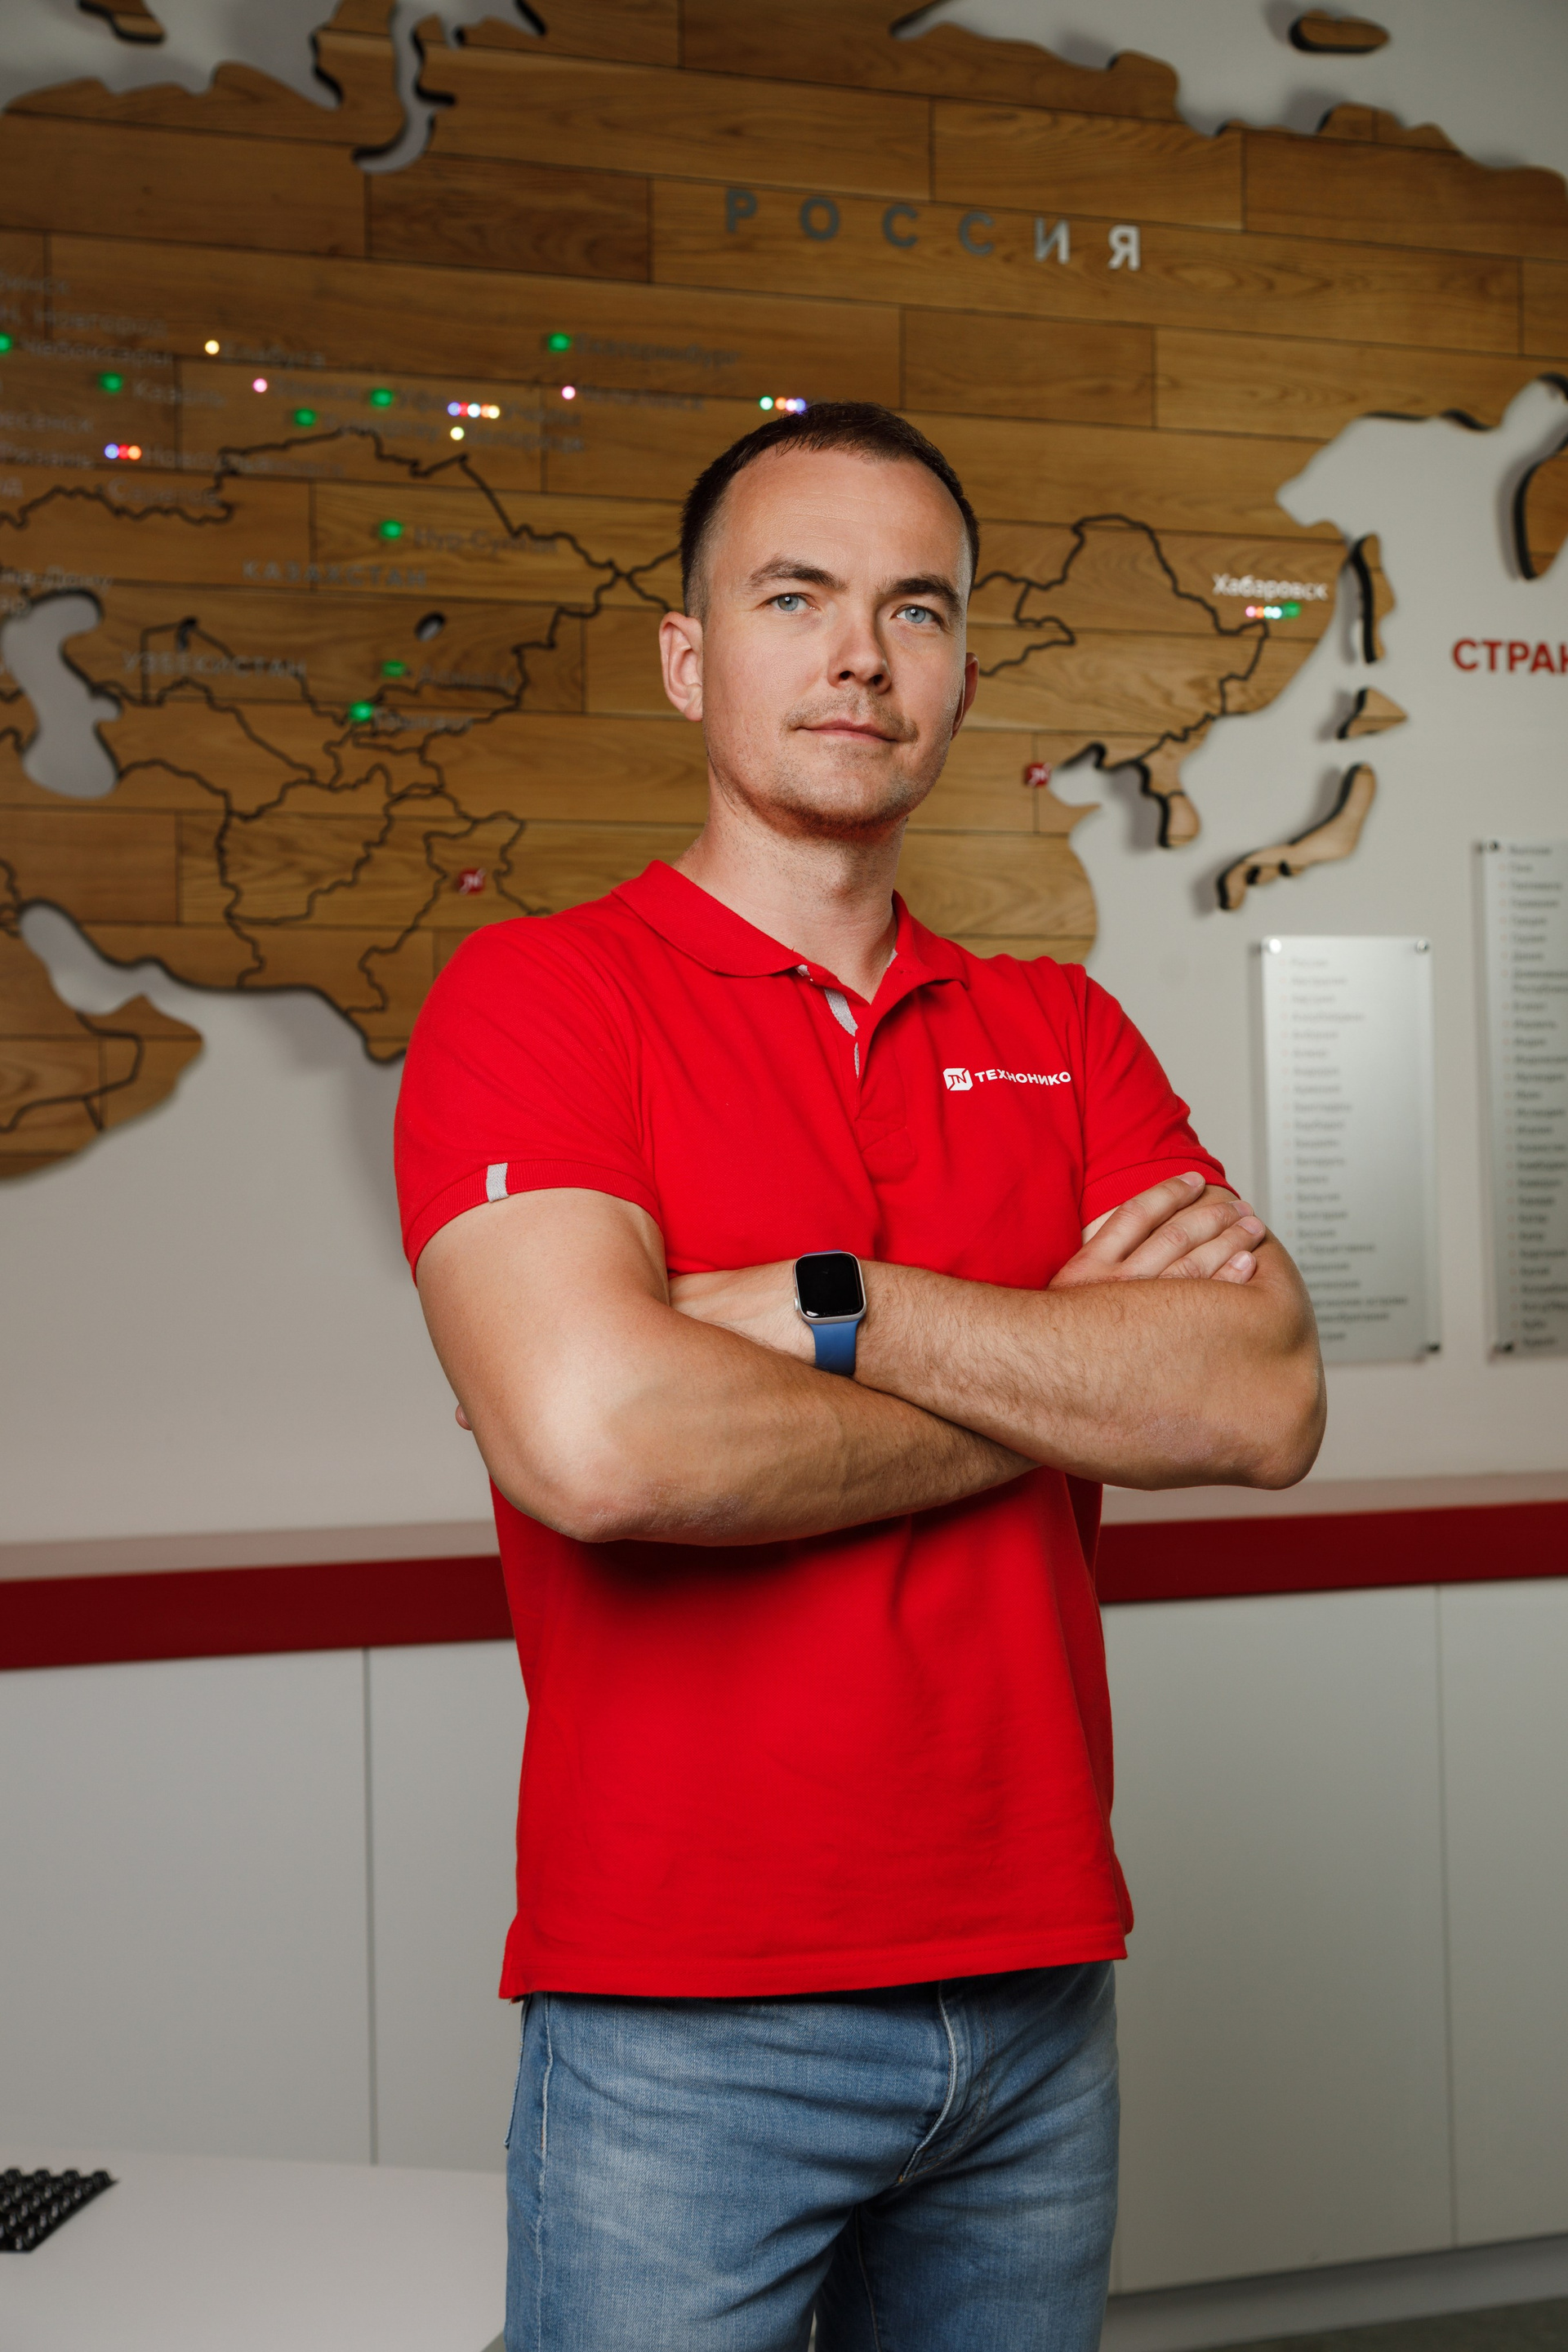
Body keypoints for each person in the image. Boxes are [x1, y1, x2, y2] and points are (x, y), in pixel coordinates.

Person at [394, 402, 1325, 2351]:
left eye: (918, 608)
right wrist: (1063, 1369)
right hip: (685, 2018)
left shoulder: (1061, 1026)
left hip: (1039, 1988)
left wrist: (844, 1304)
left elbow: (1259, 1401)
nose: (860, 655)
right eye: (794, 596)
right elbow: (605, 1441)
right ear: (689, 657)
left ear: (963, 673)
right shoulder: (541, 997)